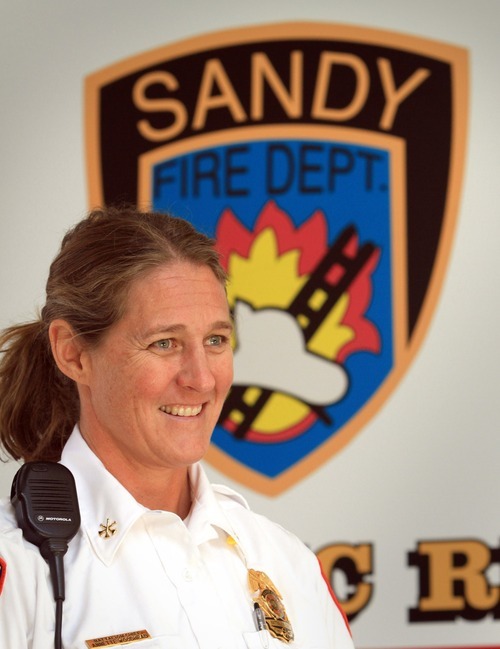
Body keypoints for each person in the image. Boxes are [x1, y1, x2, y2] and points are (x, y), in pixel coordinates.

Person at [0, 206, 354, 649]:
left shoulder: (286, 562)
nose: (202, 379)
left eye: (215, 341)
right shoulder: (17, 565)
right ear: (73, 354)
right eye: (164, 343)